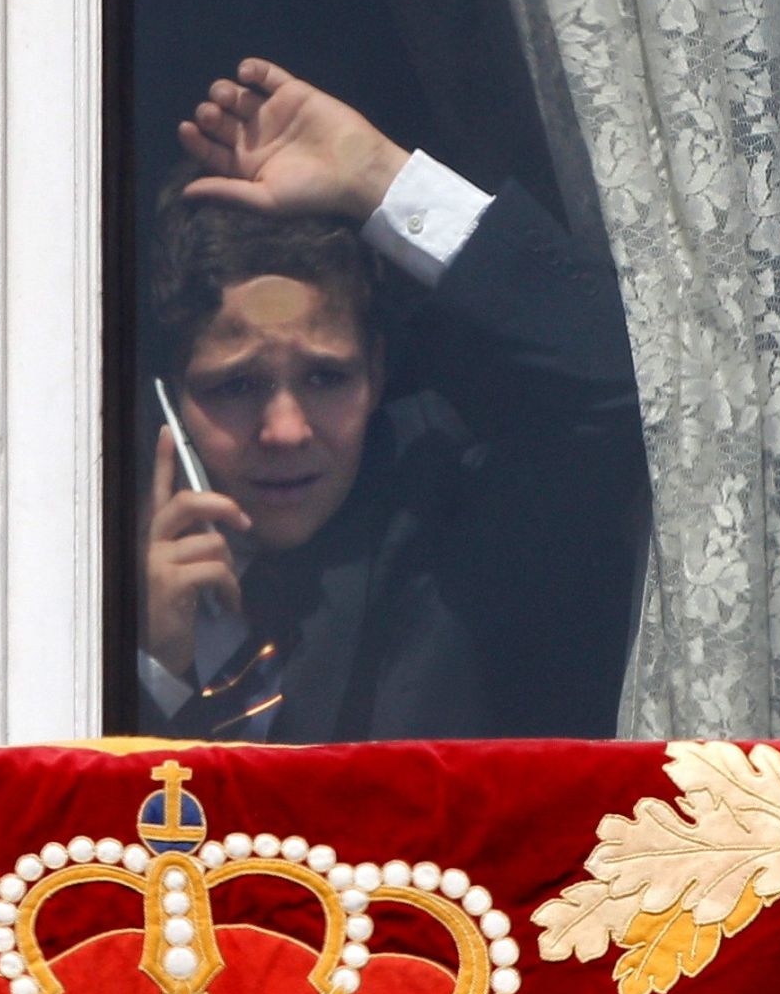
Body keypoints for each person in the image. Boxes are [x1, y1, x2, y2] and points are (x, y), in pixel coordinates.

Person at [139, 59, 646, 743]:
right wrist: (148, 669)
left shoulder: (449, 531)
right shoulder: (76, 568)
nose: (286, 431)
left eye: (326, 379)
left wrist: (379, 177)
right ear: (168, 398)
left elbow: (626, 389)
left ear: (376, 371)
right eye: (236, 386)